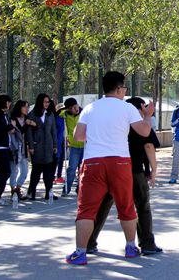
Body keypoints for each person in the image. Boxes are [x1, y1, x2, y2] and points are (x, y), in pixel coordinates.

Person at [65, 71, 154, 265]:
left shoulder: (90, 108)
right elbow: (144, 131)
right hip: (120, 162)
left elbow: (78, 136)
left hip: (93, 161)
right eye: (124, 88)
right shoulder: (127, 108)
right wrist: (147, 116)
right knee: (126, 206)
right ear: (119, 89)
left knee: (86, 209)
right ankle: (130, 247)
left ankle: (80, 252)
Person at [87, 97, 162, 256]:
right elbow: (149, 146)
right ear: (140, 108)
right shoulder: (141, 125)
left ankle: (89, 241)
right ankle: (147, 243)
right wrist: (154, 169)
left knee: (104, 205)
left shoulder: (118, 125)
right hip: (135, 170)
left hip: (114, 169)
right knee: (142, 205)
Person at [26, 94, 58, 201]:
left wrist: (55, 145)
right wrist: (31, 146)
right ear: (40, 102)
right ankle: (31, 192)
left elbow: (53, 131)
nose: (47, 104)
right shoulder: (32, 114)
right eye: (45, 102)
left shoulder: (50, 114)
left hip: (48, 146)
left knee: (48, 171)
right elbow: (29, 133)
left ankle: (49, 192)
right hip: (37, 146)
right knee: (36, 170)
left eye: (48, 102)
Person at [9, 100, 34, 200]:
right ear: (19, 107)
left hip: (23, 149)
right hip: (15, 149)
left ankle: (17, 188)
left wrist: (31, 123)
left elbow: (33, 128)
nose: (27, 109)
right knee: (14, 171)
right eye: (24, 107)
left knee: (24, 171)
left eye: (28, 107)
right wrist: (26, 124)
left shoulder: (27, 119)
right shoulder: (13, 119)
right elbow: (16, 131)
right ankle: (13, 190)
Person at [61, 98, 83, 196]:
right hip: (73, 145)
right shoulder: (65, 115)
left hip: (85, 145)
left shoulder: (84, 113)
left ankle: (80, 189)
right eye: (71, 108)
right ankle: (66, 188)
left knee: (82, 169)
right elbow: (58, 114)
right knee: (71, 169)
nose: (75, 109)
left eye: (75, 106)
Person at [52, 102, 67, 185]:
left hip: (62, 141)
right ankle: (52, 176)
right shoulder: (57, 119)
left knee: (61, 159)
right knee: (56, 160)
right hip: (57, 142)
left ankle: (59, 176)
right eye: (62, 109)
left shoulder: (64, 119)